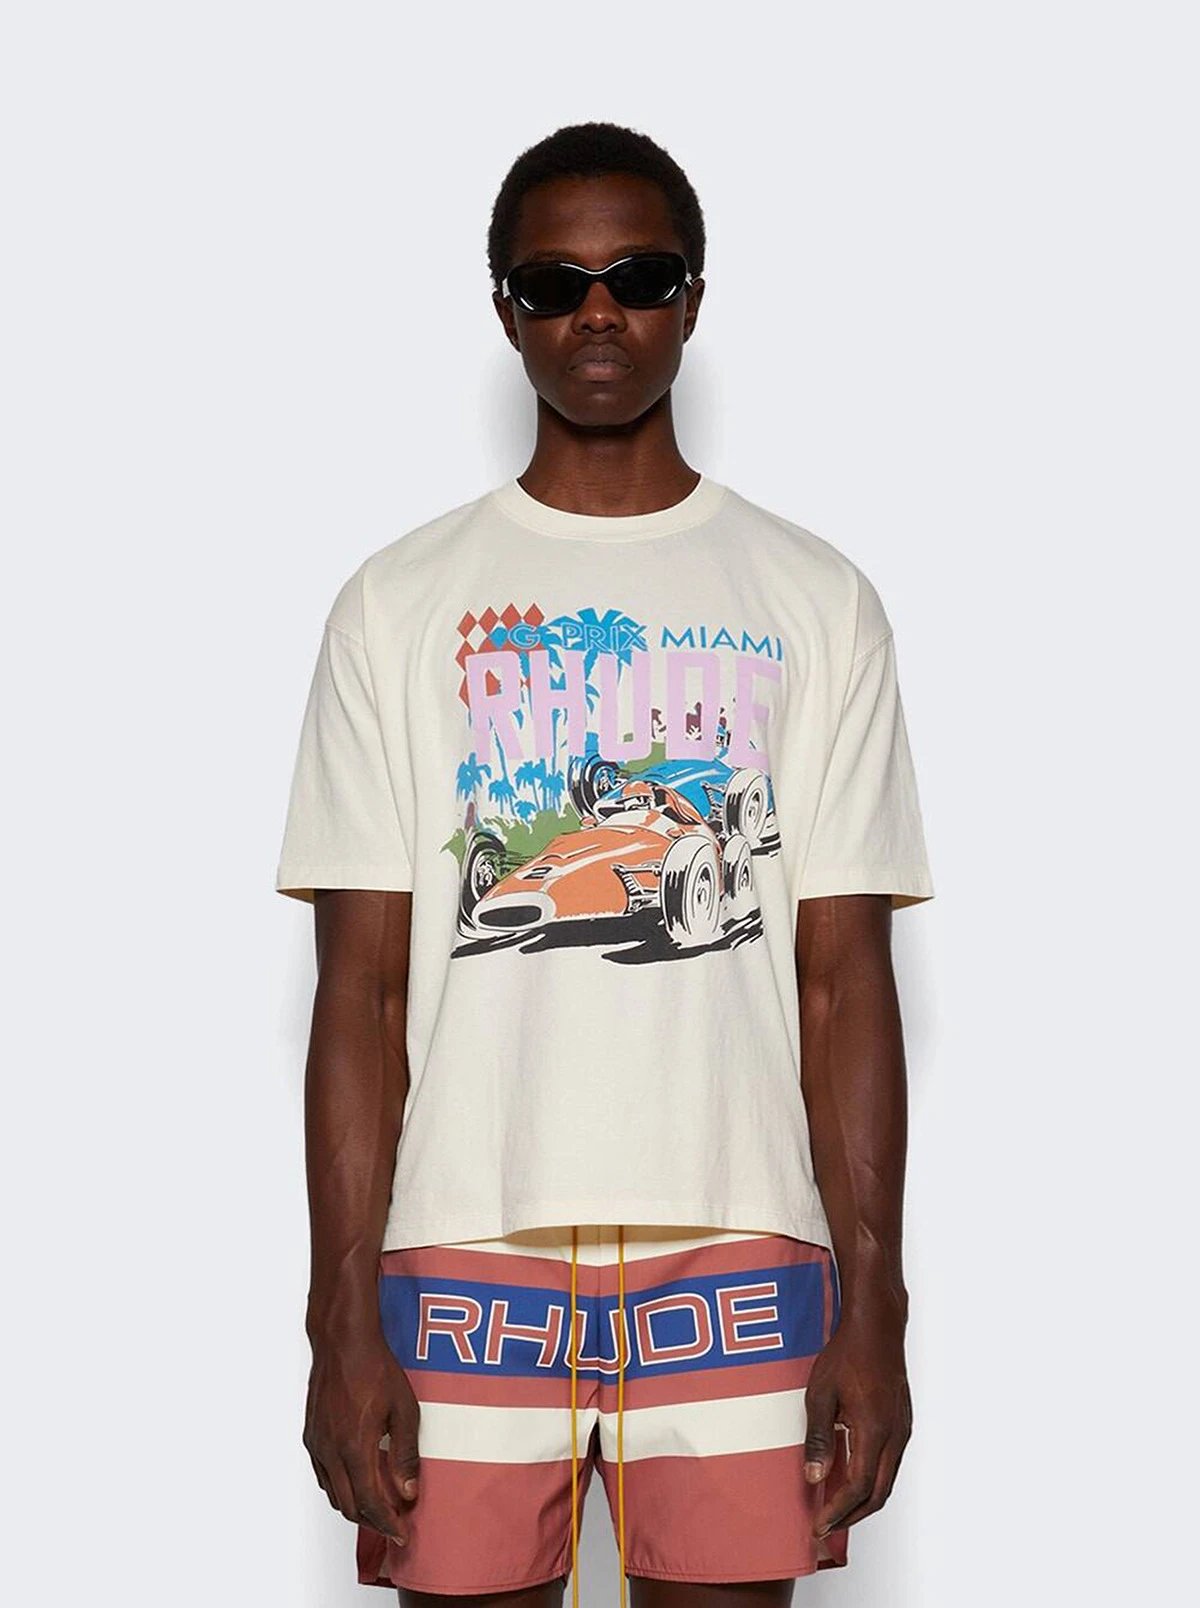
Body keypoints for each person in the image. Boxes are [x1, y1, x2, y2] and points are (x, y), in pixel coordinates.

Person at [275, 120, 934, 1608]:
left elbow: (844, 984)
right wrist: (338, 1320)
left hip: (740, 1238)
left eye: (637, 277)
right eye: (553, 282)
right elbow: (361, 994)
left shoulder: (818, 599)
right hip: (463, 1241)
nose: (597, 312)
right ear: (503, 308)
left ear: (691, 299)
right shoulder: (395, 605)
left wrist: (878, 1303)